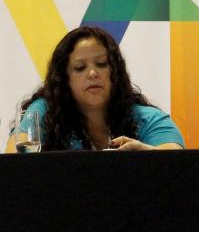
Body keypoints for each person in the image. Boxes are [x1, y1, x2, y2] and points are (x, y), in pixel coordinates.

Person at [5, 26, 185, 152]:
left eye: (101, 64)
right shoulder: (44, 113)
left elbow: (176, 163)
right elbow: (14, 163)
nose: (92, 73)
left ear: (115, 72)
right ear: (64, 78)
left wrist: (146, 155)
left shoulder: (147, 118)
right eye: (80, 68)